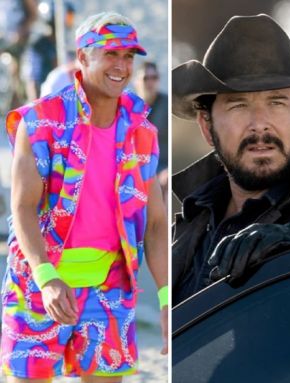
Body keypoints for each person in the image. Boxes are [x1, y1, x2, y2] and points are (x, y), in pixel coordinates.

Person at [1, 12, 168, 382]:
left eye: (128, 56)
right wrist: (47, 277)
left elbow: (155, 221)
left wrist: (166, 296)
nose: (121, 66)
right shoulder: (42, 122)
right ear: (83, 56)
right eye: (111, 54)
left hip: (108, 288)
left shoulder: (141, 130)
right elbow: (23, 208)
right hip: (38, 284)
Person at [171, 14, 290, 304]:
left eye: (276, 102)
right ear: (206, 126)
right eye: (239, 105)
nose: (259, 124)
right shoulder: (186, 226)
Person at [135, 60, 168, 172]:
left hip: (162, 168)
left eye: (154, 77)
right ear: (136, 81)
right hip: (134, 170)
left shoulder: (168, 105)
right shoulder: (127, 107)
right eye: (146, 78)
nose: (150, 82)